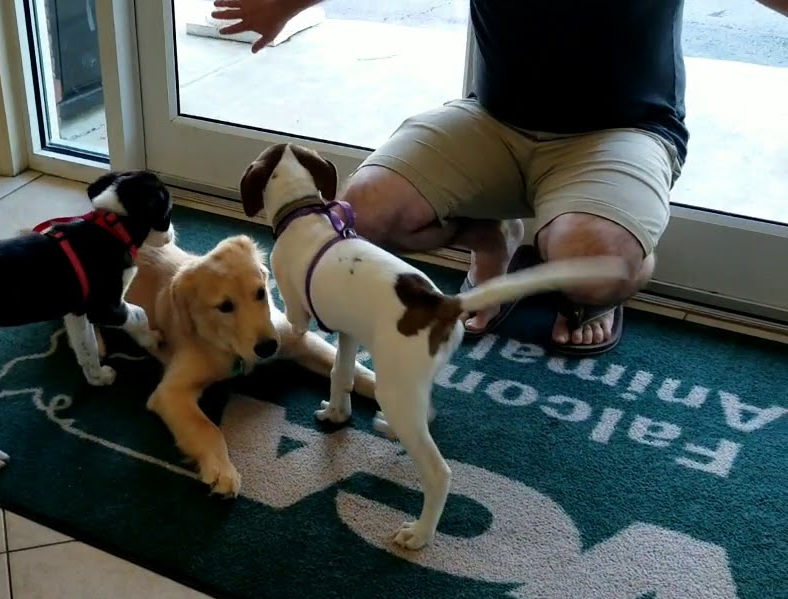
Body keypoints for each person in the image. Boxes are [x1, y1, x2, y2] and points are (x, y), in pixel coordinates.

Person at [211, 0, 788, 356]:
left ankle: (598, 296)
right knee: (361, 214)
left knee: (595, 268)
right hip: (492, 119)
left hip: (621, 131)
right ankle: (494, 238)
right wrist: (287, 2)